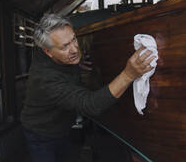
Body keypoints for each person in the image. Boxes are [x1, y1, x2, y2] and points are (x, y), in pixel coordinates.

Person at [20, 14, 156, 162]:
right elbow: (90, 104)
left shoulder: (58, 54)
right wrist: (128, 75)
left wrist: (76, 64)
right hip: (41, 134)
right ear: (48, 52)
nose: (74, 49)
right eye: (65, 46)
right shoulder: (45, 78)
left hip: (64, 126)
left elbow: (63, 64)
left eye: (73, 39)